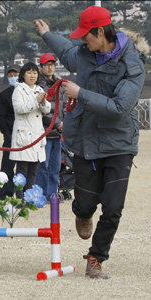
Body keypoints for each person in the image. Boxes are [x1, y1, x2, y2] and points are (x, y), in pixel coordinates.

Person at [34, 5, 147, 279]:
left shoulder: (133, 65)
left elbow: (120, 106)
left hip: (119, 144)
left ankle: (96, 258)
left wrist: (80, 93)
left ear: (100, 32)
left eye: (86, 35)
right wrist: (48, 34)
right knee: (85, 204)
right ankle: (82, 213)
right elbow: (66, 52)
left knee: (113, 207)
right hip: (85, 141)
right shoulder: (85, 53)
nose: (82, 40)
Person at [9, 62, 50, 199]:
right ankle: (19, 198)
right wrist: (35, 101)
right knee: (22, 170)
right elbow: (19, 109)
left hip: (37, 136)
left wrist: (42, 101)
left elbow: (47, 109)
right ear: (23, 75)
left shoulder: (39, 89)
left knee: (34, 170)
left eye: (35, 73)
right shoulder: (19, 90)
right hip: (24, 135)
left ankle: (29, 198)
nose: (32, 76)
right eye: (29, 73)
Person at [35, 53, 66, 202]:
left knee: (55, 168)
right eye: (47, 65)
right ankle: (40, 195)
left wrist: (64, 122)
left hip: (57, 133)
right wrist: (58, 123)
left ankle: (52, 195)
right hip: (44, 132)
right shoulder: (38, 85)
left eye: (52, 64)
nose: (50, 67)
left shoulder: (60, 83)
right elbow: (41, 109)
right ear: (41, 67)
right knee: (43, 167)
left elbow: (64, 105)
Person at [0, 64, 20, 200]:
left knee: (25, 166)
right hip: (10, 135)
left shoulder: (27, 92)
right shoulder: (4, 95)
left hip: (25, 135)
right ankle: (6, 193)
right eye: (10, 75)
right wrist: (6, 132)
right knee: (7, 166)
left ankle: (23, 192)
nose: (13, 78)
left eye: (15, 75)